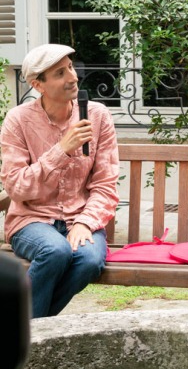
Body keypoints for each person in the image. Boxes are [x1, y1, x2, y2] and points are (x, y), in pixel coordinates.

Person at [1, 44, 120, 318]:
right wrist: (61, 151)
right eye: (59, 73)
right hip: (31, 219)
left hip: (81, 217)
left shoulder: (97, 116)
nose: (72, 77)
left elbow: (105, 184)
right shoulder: (17, 121)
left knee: (90, 260)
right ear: (38, 84)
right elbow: (16, 187)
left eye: (70, 67)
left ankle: (23, 330)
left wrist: (85, 222)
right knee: (55, 251)